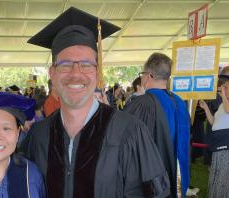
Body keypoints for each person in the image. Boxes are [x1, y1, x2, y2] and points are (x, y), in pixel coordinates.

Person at [20, 7, 170, 197]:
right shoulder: (38, 136)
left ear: (97, 72)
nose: (76, 74)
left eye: (85, 64)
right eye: (65, 64)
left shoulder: (130, 133)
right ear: (52, 73)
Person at [124, 53, 190, 197]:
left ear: (149, 75)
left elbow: (124, 137)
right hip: (180, 171)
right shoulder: (179, 101)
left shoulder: (143, 103)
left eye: (142, 74)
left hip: (156, 178)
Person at [199, 67, 229, 197]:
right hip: (218, 147)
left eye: (226, 87)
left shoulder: (225, 104)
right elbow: (213, 122)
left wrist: (222, 94)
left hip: (226, 148)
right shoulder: (223, 104)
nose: (223, 88)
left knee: (224, 178)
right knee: (217, 177)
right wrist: (205, 107)